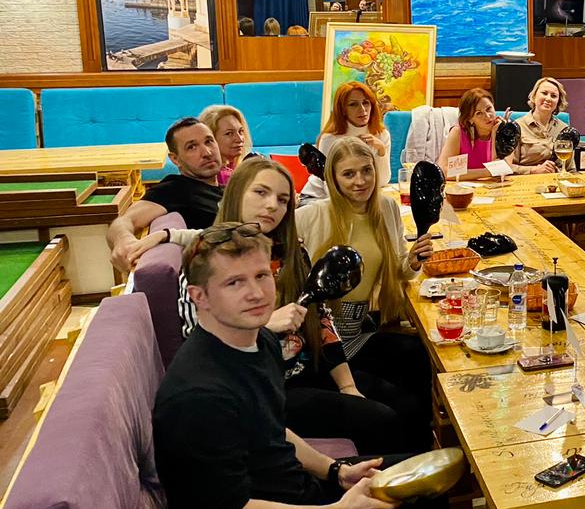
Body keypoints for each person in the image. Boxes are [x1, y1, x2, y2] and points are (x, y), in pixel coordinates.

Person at [152, 224, 499, 509]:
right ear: (200, 296)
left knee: (425, 491)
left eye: (262, 276)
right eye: (234, 282)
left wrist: (337, 471)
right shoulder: (197, 395)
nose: (256, 292)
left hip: (289, 495)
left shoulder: (255, 341)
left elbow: (273, 430)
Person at [125, 157, 410, 454]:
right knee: (383, 421)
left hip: (305, 368)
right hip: (262, 389)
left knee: (405, 404)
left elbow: (321, 320)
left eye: (283, 199)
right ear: (237, 193)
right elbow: (197, 342)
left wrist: (348, 386)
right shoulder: (206, 259)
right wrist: (266, 326)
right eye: (261, 193)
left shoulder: (291, 249)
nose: (272, 205)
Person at [296, 137, 435, 421]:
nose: (360, 181)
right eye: (348, 174)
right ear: (333, 178)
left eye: (366, 170)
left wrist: (413, 261)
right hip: (322, 341)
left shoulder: (387, 207)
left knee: (420, 356)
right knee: (402, 405)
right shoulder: (309, 216)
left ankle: (431, 447)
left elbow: (400, 269)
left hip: (360, 328)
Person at [107, 116, 224, 272]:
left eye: (209, 141)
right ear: (175, 159)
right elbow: (124, 221)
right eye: (192, 147)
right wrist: (123, 240)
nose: (207, 152)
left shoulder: (226, 187)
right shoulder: (176, 189)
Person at [300, 82, 391, 202]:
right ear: (342, 110)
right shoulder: (330, 138)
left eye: (365, 103)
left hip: (359, 197)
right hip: (319, 198)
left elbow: (383, 181)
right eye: (353, 104)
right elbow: (329, 187)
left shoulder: (381, 134)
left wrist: (381, 150)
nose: (362, 109)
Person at [437, 88, 506, 181]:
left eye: (489, 109)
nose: (487, 116)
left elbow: (502, 170)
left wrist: (494, 134)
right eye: (479, 113)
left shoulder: (505, 131)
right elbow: (443, 171)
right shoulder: (458, 133)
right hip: (463, 190)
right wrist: (486, 172)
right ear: (470, 119)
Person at [508, 76, 570, 175]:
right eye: (544, 93)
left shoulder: (564, 129)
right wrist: (532, 170)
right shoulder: (516, 127)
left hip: (554, 182)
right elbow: (507, 167)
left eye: (553, 96)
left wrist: (556, 171)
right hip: (525, 183)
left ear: (558, 102)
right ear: (534, 96)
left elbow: (570, 169)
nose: (548, 98)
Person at [200, 104, 254, 186]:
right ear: (211, 139)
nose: (239, 139)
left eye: (240, 131)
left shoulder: (240, 166)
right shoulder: (217, 177)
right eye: (229, 133)